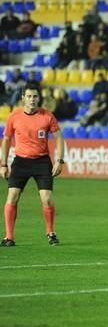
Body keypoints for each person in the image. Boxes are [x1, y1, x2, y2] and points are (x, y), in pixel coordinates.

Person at [0, 82, 65, 247]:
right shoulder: (14, 117)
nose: (32, 99)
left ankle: (51, 233)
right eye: (29, 96)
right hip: (21, 161)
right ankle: (9, 237)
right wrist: (3, 164)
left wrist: (59, 160)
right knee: (12, 196)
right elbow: (6, 140)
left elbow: (59, 137)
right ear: (23, 98)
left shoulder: (47, 116)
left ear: (39, 98)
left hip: (42, 161)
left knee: (47, 198)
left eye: (35, 96)